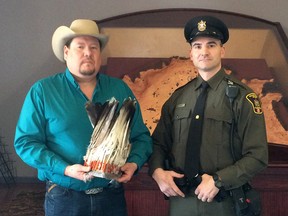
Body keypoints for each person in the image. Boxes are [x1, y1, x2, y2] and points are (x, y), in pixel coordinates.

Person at [14, 19, 152, 216]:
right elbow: (25, 143)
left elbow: (141, 137)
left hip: (111, 198)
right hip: (64, 199)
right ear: (66, 52)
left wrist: (134, 163)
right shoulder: (43, 91)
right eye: (80, 46)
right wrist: (65, 169)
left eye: (94, 47)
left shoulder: (119, 89)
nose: (88, 53)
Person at [148, 15, 268, 216]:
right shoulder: (178, 98)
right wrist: (157, 171)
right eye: (197, 46)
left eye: (211, 45)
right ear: (191, 53)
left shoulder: (242, 96)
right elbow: (159, 143)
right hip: (182, 201)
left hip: (224, 200)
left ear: (222, 50)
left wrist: (219, 180)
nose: (204, 51)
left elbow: (258, 156)